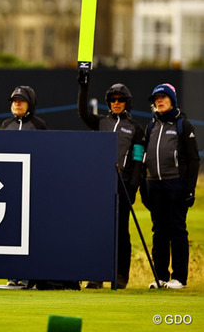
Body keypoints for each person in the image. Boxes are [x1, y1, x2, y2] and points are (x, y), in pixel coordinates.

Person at [76, 73, 144, 289]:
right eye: (113, 100)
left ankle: (121, 275)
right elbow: (82, 112)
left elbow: (138, 160)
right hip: (100, 185)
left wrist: (132, 187)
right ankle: (96, 275)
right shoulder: (100, 122)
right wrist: (83, 87)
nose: (116, 103)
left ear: (126, 103)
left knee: (121, 232)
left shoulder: (135, 128)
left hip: (123, 185)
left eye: (120, 100)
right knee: (99, 229)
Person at [142, 83, 199, 290]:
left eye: (163, 97)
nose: (159, 101)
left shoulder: (183, 125)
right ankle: (160, 277)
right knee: (159, 232)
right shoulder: (151, 126)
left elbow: (194, 160)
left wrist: (190, 189)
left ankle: (180, 278)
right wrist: (143, 187)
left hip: (176, 184)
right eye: (156, 99)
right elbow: (144, 159)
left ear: (172, 100)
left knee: (177, 230)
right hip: (154, 185)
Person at [1, 84, 47, 289]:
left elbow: (47, 155)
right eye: (14, 101)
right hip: (9, 186)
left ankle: (29, 275)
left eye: (21, 100)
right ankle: (13, 274)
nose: (17, 104)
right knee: (11, 231)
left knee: (31, 232)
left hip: (33, 187)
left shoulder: (39, 125)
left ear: (30, 104)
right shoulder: (6, 125)